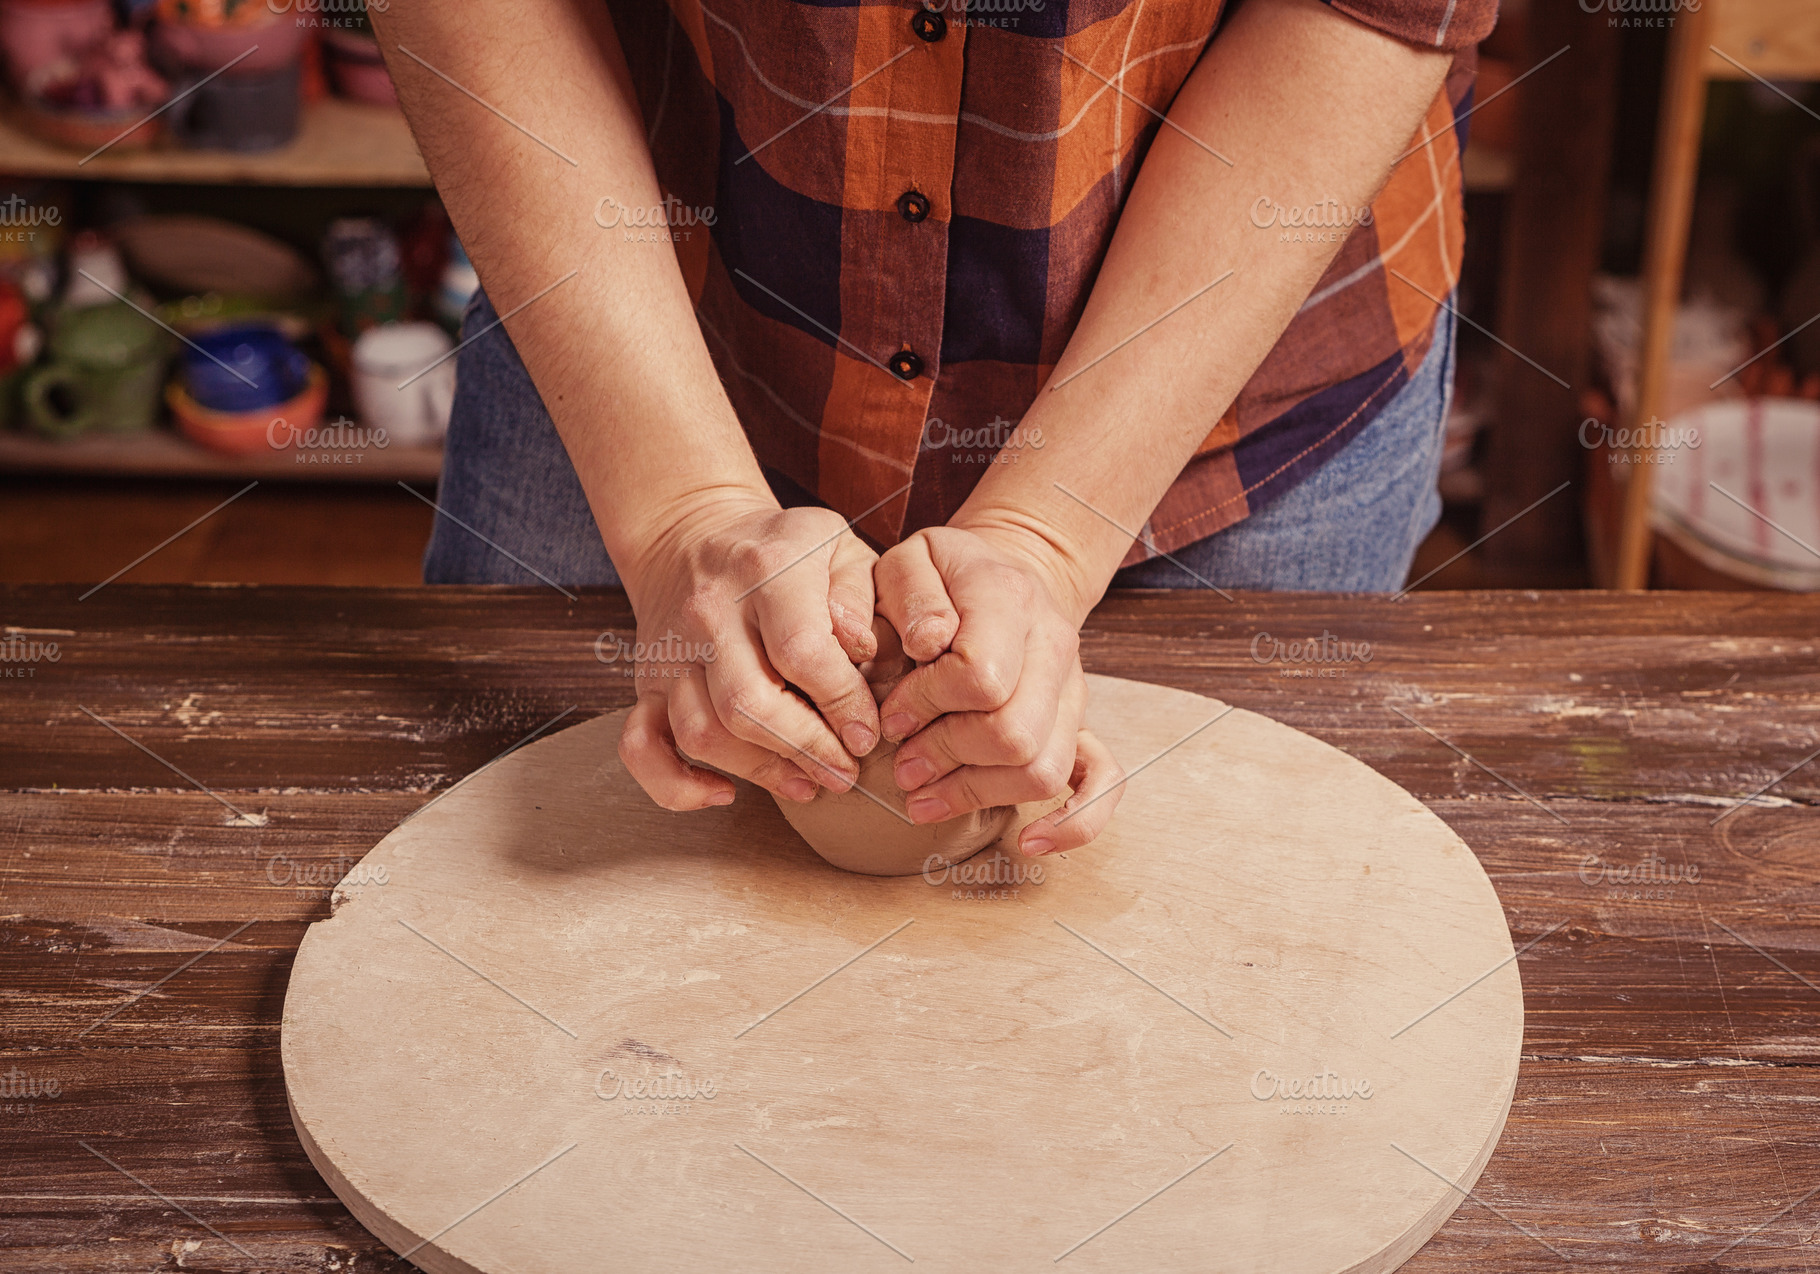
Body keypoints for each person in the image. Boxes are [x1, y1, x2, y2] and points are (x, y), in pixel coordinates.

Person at [369, 0, 1491, 855]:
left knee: (1246, 982)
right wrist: (677, 519)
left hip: (1230, 364)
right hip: (639, 314)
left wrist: (1050, 538)